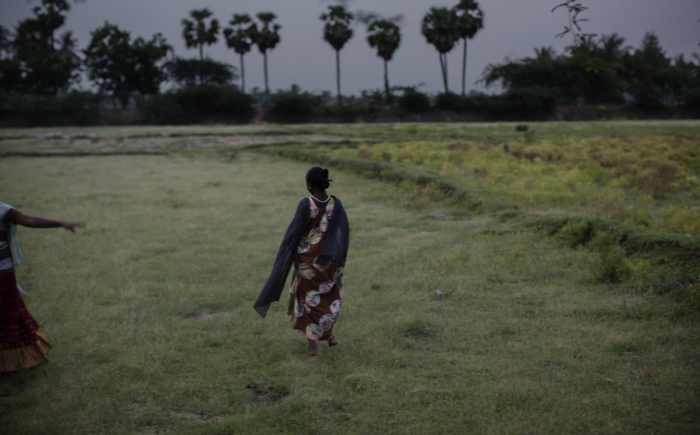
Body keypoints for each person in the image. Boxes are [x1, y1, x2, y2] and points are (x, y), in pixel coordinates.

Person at [254, 167, 350, 356]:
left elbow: (294, 233)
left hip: (308, 262)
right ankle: (330, 336)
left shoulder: (306, 204)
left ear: (310, 185)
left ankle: (312, 346)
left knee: (308, 300)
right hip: (331, 262)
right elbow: (343, 233)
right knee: (330, 296)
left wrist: (285, 254)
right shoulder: (335, 204)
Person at [0, 202, 83, 373]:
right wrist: (60, 223)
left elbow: (29, 220)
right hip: (3, 275)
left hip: (3, 274)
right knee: (8, 317)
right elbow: (29, 221)